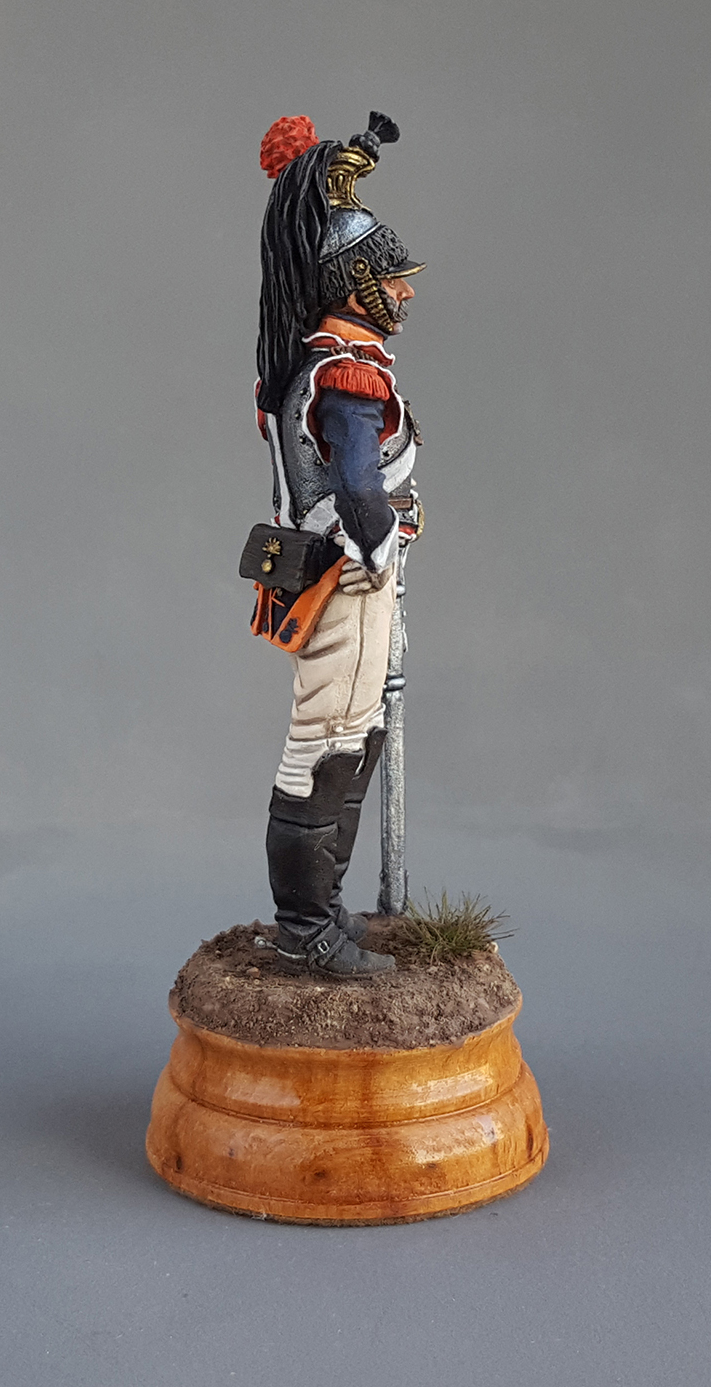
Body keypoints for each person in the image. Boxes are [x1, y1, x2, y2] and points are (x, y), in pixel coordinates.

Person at [252, 112, 425, 977]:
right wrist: (383, 548)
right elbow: (357, 487)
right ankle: (304, 930)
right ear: (356, 282)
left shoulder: (311, 363)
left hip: (342, 571)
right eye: (392, 278)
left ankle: (326, 913)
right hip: (348, 576)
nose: (405, 293)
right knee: (324, 745)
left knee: (354, 735)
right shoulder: (349, 375)